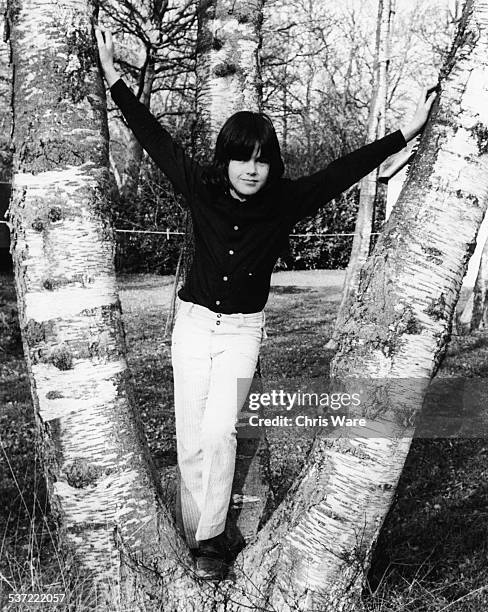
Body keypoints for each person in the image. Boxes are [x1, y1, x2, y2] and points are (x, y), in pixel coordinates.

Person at [95, 26, 436, 581]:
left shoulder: (285, 202)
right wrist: (116, 83)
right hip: (193, 325)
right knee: (188, 439)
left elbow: (342, 171)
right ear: (225, 160)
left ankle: (209, 541)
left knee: (220, 431)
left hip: (241, 332)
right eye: (241, 159)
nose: (251, 170)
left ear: (271, 164)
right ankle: (196, 532)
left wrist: (405, 132)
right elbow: (155, 139)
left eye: (261, 160)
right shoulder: (199, 186)